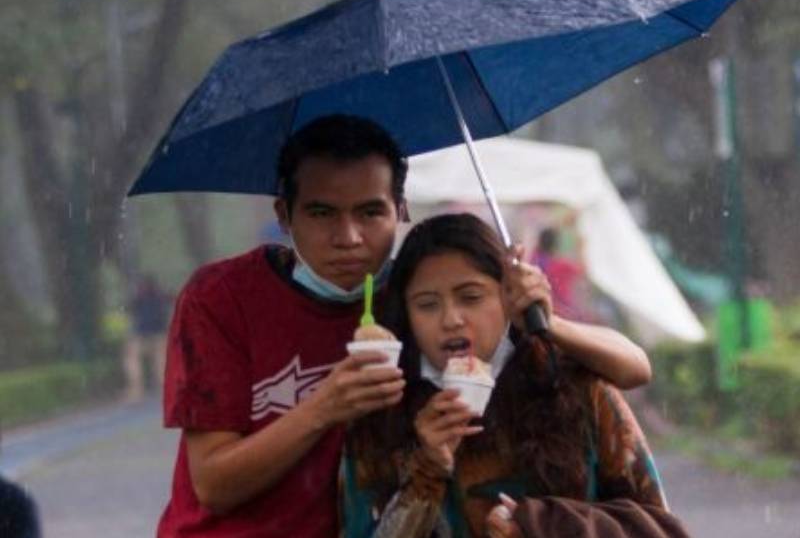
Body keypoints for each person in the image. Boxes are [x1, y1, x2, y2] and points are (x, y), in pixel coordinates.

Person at [157, 115, 650, 537]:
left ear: (402, 210)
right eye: (322, 213)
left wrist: (540, 313)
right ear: (285, 215)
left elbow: (630, 369)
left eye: (370, 212)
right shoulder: (221, 299)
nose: (348, 238)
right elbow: (213, 486)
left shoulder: (415, 298)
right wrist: (326, 408)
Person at [341, 213, 670, 538]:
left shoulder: (572, 388)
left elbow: (652, 521)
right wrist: (426, 471)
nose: (451, 319)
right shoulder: (381, 415)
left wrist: (544, 523)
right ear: (407, 314)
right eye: (427, 304)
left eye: (471, 297)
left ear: (508, 296)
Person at [123, 274, 171, 401]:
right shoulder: (159, 295)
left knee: (133, 359)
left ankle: (137, 389)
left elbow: (128, 308)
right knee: (160, 361)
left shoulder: (139, 298)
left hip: (143, 333)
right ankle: (162, 387)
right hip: (156, 332)